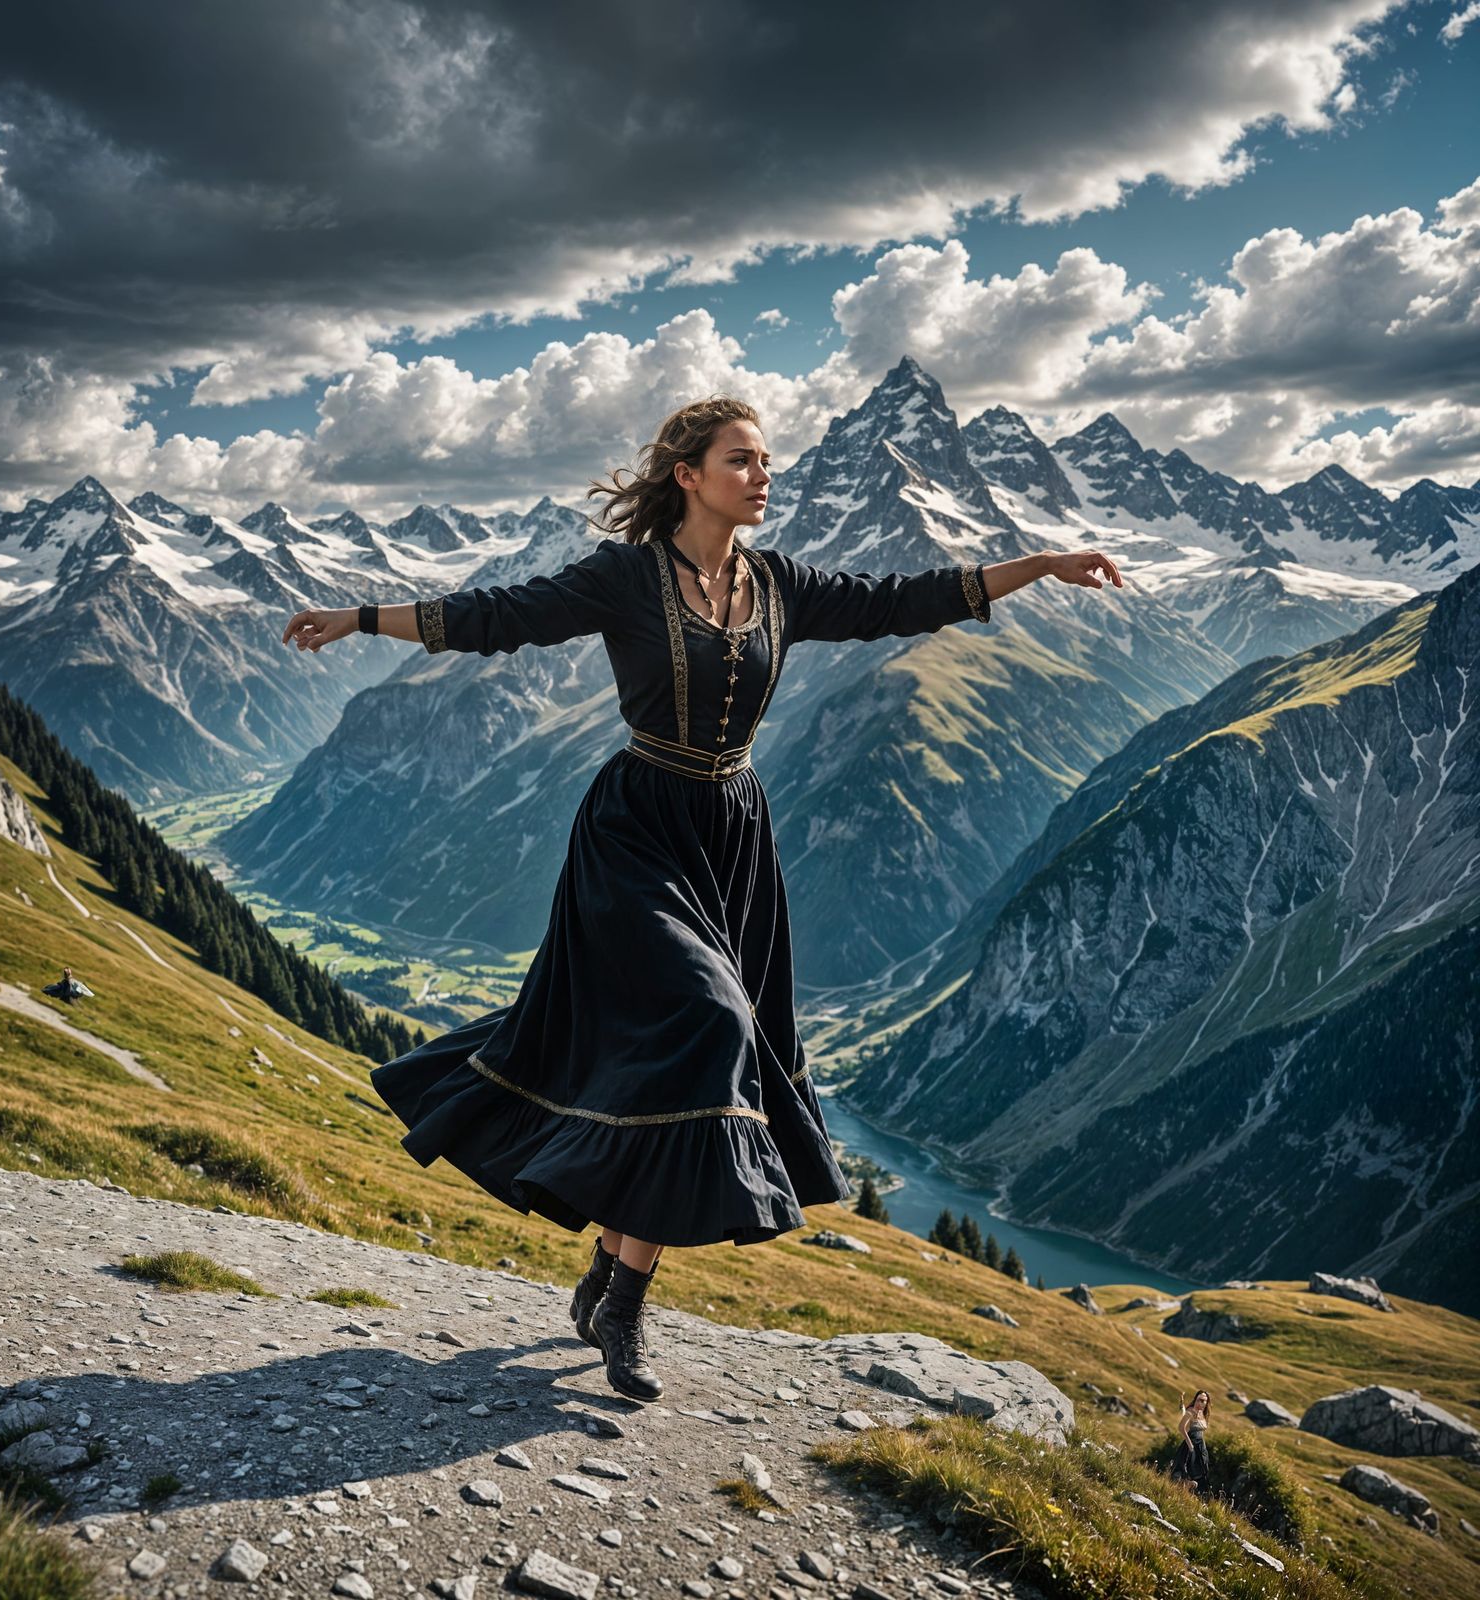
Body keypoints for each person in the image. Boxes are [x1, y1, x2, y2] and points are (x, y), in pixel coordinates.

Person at [281, 395, 1124, 1402]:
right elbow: (498, 616)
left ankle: (611, 1273)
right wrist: (360, 615)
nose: (764, 477)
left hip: (731, 835)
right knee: (710, 1025)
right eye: (743, 461)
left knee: (686, 1062)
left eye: (767, 462)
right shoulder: (626, 578)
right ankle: (627, 1304)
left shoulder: (779, 584)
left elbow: (903, 599)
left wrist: (1035, 565)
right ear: (688, 474)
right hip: (636, 830)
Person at [1172, 1389, 1213, 1496]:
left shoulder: (1202, 1414)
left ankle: (1192, 1493)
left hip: (1201, 1445)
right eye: (1200, 1400)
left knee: (1201, 1469)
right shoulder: (1191, 1412)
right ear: (1196, 1399)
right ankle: (1183, 1485)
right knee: (1185, 1468)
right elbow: (1181, 1428)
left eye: (1205, 1401)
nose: (1202, 1403)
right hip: (1191, 1444)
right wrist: (1190, 1444)